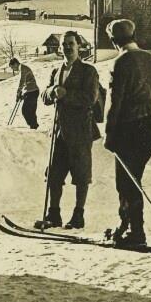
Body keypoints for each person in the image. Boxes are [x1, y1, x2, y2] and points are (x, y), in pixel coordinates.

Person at [104, 19, 151, 248]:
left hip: (129, 126)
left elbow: (115, 101)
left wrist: (110, 132)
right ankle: (126, 226)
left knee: (126, 180)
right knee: (134, 176)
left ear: (113, 41)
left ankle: (135, 231)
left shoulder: (121, 62)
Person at [40, 31, 100, 230]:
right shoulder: (56, 71)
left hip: (81, 131)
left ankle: (78, 215)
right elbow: (44, 96)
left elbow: (90, 98)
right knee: (54, 174)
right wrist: (52, 91)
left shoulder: (88, 71)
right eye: (64, 44)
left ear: (79, 46)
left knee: (81, 175)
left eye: (71, 44)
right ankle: (53, 214)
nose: (67, 47)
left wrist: (65, 94)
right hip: (59, 131)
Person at [9, 58, 39, 129]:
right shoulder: (22, 68)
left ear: (15, 64)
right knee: (31, 111)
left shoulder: (23, 68)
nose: (13, 69)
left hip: (32, 91)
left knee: (25, 111)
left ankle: (33, 126)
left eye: (12, 67)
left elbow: (22, 81)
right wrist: (22, 94)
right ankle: (34, 127)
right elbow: (25, 83)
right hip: (32, 91)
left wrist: (18, 92)